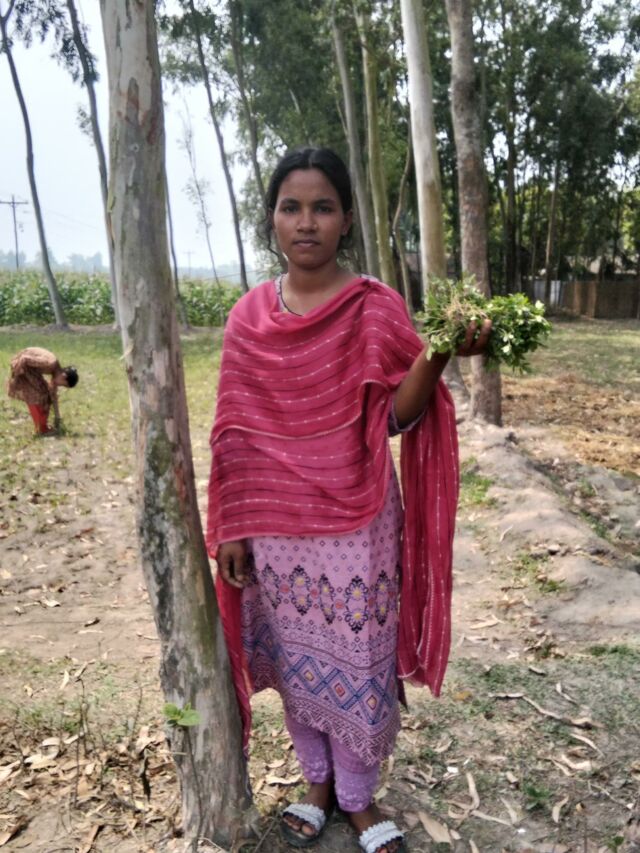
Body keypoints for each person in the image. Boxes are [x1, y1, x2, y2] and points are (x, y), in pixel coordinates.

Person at [207, 147, 490, 853]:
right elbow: (233, 433)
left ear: (346, 219)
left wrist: (438, 350)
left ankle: (359, 799)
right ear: (272, 218)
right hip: (275, 527)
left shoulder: (373, 306)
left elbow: (397, 417)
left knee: (359, 659)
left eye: (323, 207)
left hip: (357, 523)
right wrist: (232, 525)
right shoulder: (248, 318)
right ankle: (316, 784)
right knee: (297, 660)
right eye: (291, 207)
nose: (306, 222)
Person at [7, 347, 78, 435]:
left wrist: (57, 416)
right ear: (64, 376)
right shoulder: (50, 363)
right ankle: (41, 429)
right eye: (63, 384)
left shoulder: (55, 372)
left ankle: (42, 427)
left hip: (28, 368)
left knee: (46, 395)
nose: (59, 385)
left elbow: (53, 396)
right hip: (22, 365)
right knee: (38, 394)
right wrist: (17, 376)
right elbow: (25, 359)